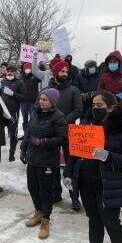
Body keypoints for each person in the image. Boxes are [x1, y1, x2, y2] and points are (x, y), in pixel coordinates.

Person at [64, 91, 122, 243]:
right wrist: (68, 173)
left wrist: (109, 156)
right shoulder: (86, 124)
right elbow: (75, 152)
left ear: (111, 108)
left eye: (100, 106)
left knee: (112, 224)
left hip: (108, 184)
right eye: (94, 105)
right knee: (94, 220)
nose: (95, 108)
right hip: (86, 181)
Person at [20, 88, 67, 239]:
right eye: (40, 99)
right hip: (33, 159)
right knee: (32, 188)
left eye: (45, 99)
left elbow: (63, 139)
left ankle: (46, 220)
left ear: (52, 102)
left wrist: (43, 142)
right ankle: (38, 212)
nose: (41, 101)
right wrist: (23, 148)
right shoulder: (35, 113)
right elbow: (28, 133)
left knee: (45, 192)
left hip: (48, 160)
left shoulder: (58, 117)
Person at [47, 60, 83, 205]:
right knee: (52, 163)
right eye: (62, 71)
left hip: (69, 131)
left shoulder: (73, 90)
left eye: (66, 72)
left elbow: (78, 110)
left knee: (71, 164)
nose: (65, 74)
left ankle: (74, 196)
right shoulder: (48, 89)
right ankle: (55, 193)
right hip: (51, 131)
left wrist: (62, 120)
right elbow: (41, 107)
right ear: (55, 72)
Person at [1, 65, 25, 162]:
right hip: (1, 112)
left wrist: (13, 94)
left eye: (12, 71)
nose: (10, 73)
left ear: (15, 73)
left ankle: (11, 154)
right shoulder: (2, 82)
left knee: (13, 134)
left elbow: (23, 97)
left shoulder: (19, 82)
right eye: (8, 71)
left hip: (13, 112)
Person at [20, 62, 40, 134]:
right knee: (25, 119)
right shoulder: (20, 77)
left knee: (33, 118)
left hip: (33, 101)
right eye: (26, 68)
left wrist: (41, 66)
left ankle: (32, 133)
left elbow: (42, 78)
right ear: (24, 69)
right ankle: (26, 133)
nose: (27, 69)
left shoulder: (35, 76)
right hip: (23, 102)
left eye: (29, 68)